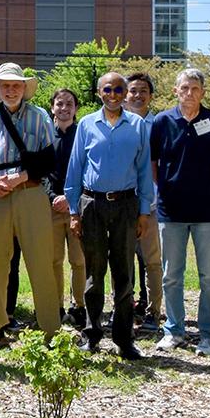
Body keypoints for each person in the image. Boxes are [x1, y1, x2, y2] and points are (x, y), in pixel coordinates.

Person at [65, 72, 153, 360]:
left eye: (119, 89)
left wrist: (143, 211)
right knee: (94, 272)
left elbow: (143, 171)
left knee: (124, 273)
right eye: (108, 89)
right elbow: (75, 169)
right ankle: (91, 334)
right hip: (92, 204)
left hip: (127, 205)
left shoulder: (138, 125)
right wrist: (74, 211)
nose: (113, 94)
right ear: (99, 92)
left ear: (125, 93)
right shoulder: (87, 125)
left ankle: (124, 338)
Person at [0, 63, 60, 346]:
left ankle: (50, 329)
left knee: (40, 261)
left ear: (24, 88)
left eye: (16, 85)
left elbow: (49, 160)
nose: (11, 90)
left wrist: (21, 177)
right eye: (5, 85)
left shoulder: (40, 116)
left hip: (30, 191)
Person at [151, 69, 210, 357]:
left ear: (203, 92)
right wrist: (167, 189)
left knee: (209, 276)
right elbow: (153, 163)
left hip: (208, 213)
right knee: (171, 275)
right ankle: (174, 331)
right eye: (185, 87)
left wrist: (206, 189)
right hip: (171, 212)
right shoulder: (162, 122)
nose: (190, 93)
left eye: (195, 88)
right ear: (175, 90)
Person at [46, 88, 86, 330]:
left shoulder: (83, 133)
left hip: (77, 209)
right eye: (59, 103)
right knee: (54, 261)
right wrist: (53, 196)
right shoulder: (45, 135)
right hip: (49, 206)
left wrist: (71, 199)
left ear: (76, 108)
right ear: (52, 107)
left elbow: (87, 170)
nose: (64, 108)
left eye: (69, 103)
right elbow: (41, 172)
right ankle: (57, 306)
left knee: (79, 260)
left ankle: (79, 306)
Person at [125, 72, 161, 332]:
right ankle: (123, 308)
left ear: (150, 95)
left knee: (152, 261)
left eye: (143, 91)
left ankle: (153, 313)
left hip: (150, 205)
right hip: (122, 203)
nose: (137, 95)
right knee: (122, 259)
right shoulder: (117, 123)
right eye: (133, 90)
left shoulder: (160, 125)